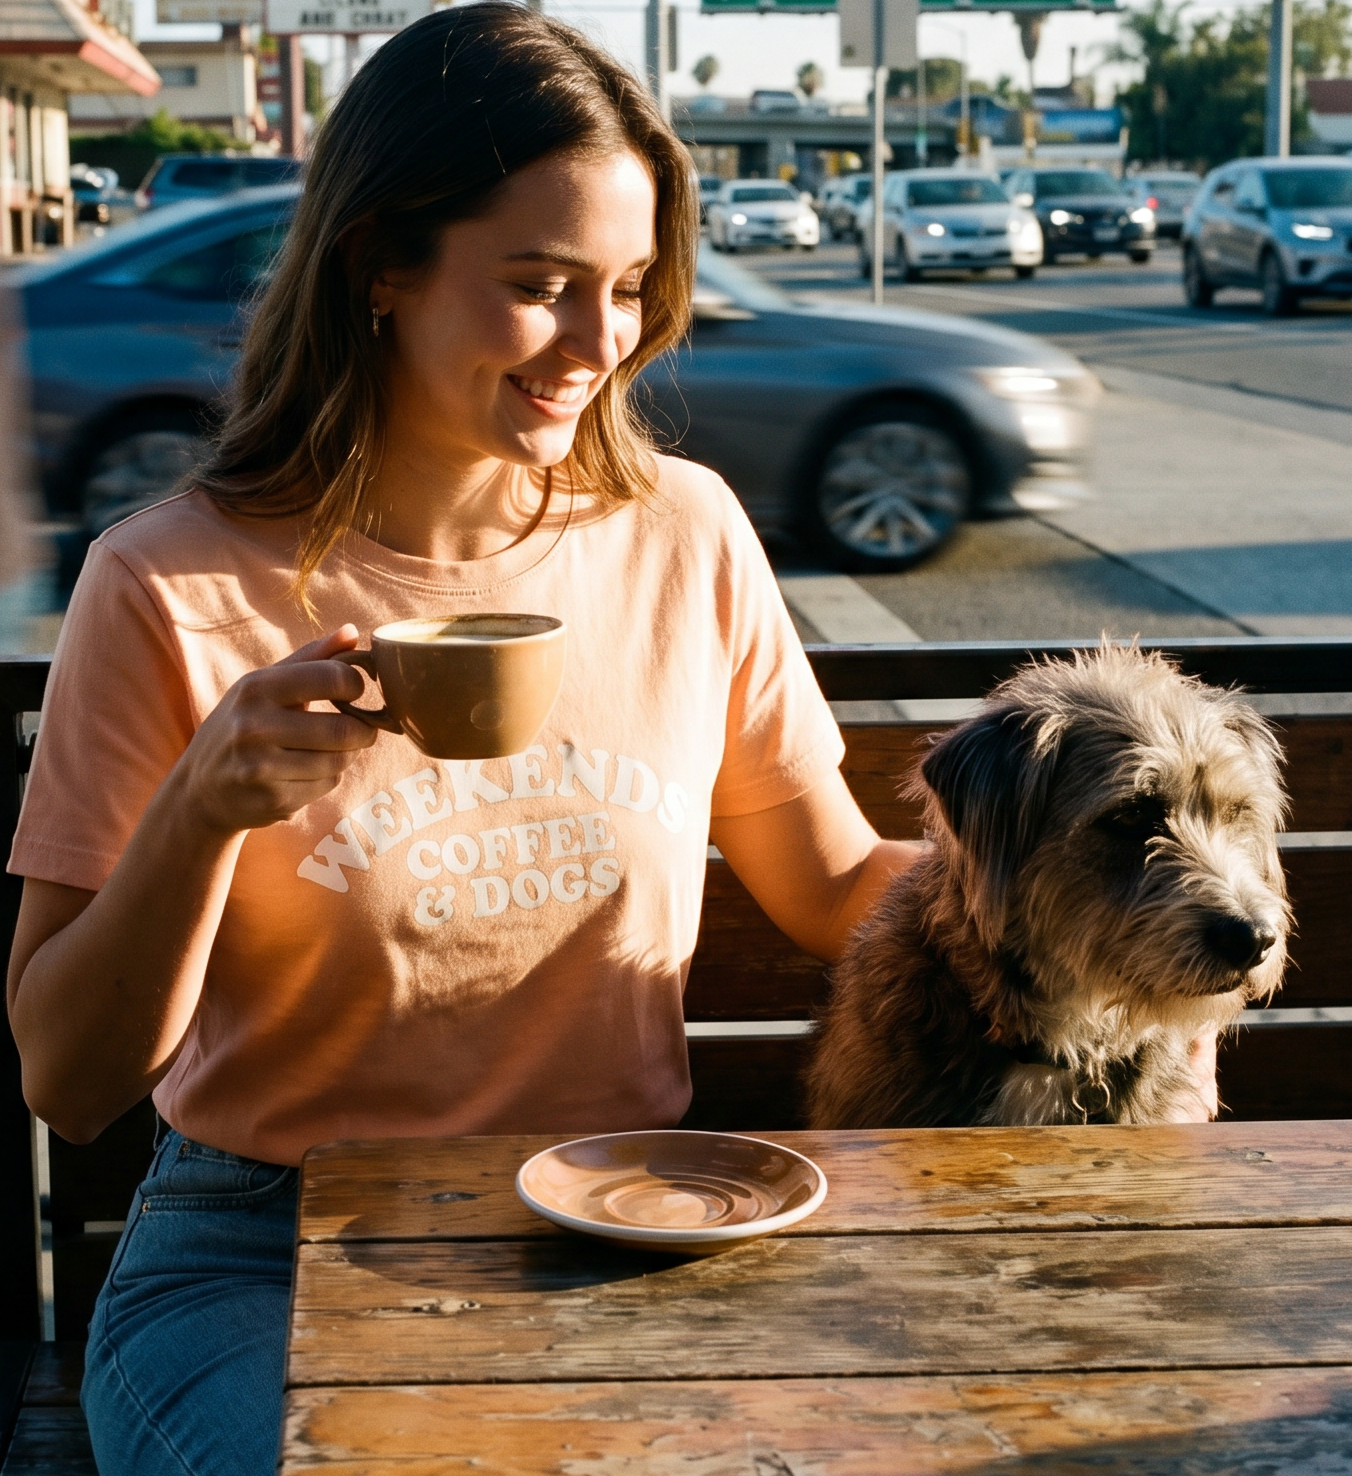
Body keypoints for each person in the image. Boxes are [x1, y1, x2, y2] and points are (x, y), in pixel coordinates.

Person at [3, 7, 1216, 1474]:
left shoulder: (683, 533)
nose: (600, 344)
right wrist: (203, 809)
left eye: (631, 288)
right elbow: (68, 1079)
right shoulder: (167, 585)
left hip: (630, 1222)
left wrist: (1119, 898)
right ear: (379, 267)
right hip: (270, 1246)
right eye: (541, 287)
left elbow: (837, 884)